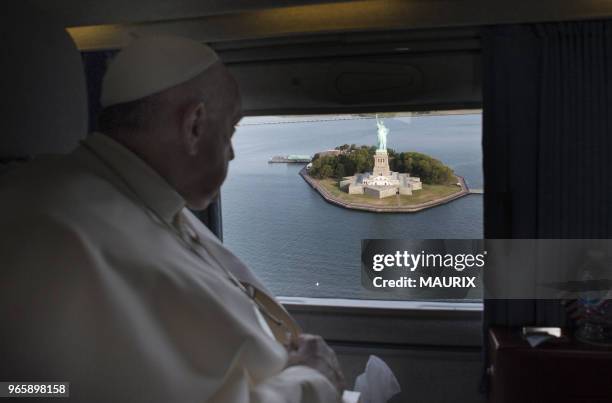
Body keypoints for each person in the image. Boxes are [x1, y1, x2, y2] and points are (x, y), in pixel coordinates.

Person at [0, 35, 344, 402]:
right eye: (229, 131)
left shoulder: (148, 199)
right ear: (194, 125)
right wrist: (313, 380)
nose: (229, 153)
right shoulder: (52, 236)